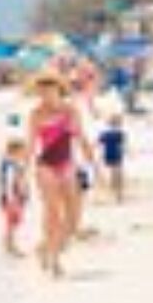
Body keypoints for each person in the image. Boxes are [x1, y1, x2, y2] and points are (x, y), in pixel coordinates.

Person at [26, 74, 91, 278]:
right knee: (52, 211)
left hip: (67, 164)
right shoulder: (36, 114)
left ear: (58, 90)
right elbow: (30, 145)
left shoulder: (71, 111)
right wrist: (22, 174)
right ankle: (54, 257)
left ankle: (46, 247)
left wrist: (96, 168)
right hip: (45, 165)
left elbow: (82, 139)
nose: (45, 95)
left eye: (49, 90)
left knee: (72, 218)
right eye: (41, 91)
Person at [0, 137, 31, 258]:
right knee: (12, 222)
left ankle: (9, 243)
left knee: (13, 222)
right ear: (15, 151)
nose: (24, 154)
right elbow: (9, 182)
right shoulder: (10, 165)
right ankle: (9, 244)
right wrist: (12, 199)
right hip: (12, 199)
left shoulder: (12, 164)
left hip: (14, 198)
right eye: (23, 151)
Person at [96, 110, 129, 204]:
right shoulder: (120, 134)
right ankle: (119, 195)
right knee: (117, 174)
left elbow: (98, 143)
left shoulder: (105, 133)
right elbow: (124, 145)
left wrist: (98, 156)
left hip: (108, 154)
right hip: (117, 155)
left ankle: (113, 193)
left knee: (111, 174)